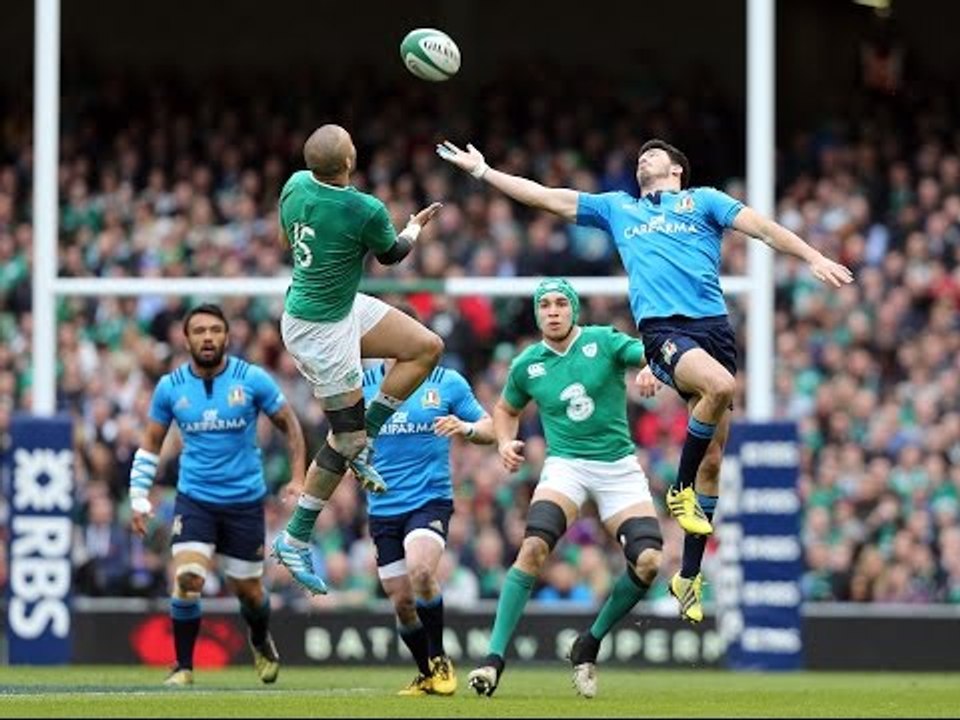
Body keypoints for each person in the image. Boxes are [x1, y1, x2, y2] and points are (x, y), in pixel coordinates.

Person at [437, 137, 853, 624]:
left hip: (713, 329)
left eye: (655, 155)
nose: (644, 158)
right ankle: (678, 489)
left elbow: (760, 227)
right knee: (720, 388)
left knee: (714, 463)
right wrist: (485, 172)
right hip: (663, 330)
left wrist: (812, 256)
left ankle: (689, 576)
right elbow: (547, 196)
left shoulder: (706, 201)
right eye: (639, 156)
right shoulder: (619, 209)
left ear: (678, 169)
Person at [466, 278, 663, 699]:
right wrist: (504, 441)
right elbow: (505, 409)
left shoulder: (603, 341)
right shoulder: (527, 365)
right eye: (545, 305)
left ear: (574, 309)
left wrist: (651, 366)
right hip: (566, 466)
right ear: (537, 313)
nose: (552, 310)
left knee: (648, 562)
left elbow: (649, 350)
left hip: (617, 468)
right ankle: (493, 659)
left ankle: (589, 642)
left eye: (560, 303)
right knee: (533, 548)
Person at [272, 124, 445, 595]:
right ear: (348, 162)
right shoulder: (363, 208)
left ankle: (362, 436)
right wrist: (414, 226)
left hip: (339, 306)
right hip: (319, 331)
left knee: (426, 347)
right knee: (345, 443)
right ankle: (294, 537)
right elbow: (392, 256)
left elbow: (286, 238)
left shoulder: (294, 184)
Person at [129, 304, 307, 687]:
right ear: (186, 338)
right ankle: (184, 667)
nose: (207, 337)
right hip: (195, 499)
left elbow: (288, 423)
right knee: (189, 577)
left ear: (227, 336)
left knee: (249, 591)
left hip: (244, 502)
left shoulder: (252, 380)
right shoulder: (170, 387)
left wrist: (297, 476)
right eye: (199, 331)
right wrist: (138, 496)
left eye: (214, 330)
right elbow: (150, 445)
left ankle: (260, 638)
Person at [361, 306, 496, 697]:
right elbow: (346, 435)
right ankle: (425, 673)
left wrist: (465, 427)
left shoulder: (446, 382)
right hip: (383, 507)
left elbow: (490, 428)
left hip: (429, 500)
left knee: (421, 572)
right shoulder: (363, 384)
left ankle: (439, 660)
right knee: (402, 601)